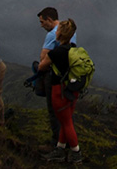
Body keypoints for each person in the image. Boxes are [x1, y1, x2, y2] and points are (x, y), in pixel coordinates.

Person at [39, 19, 82, 164]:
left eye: (57, 30)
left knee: (66, 122)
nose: (55, 31)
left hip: (59, 91)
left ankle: (76, 154)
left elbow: (41, 66)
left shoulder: (56, 53)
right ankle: (60, 149)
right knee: (66, 120)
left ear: (60, 34)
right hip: (72, 90)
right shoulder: (74, 50)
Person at [36, 7, 78, 144]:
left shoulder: (52, 36)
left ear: (49, 19)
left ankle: (57, 144)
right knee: (66, 115)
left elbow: (43, 59)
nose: (41, 25)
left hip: (54, 78)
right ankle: (66, 144)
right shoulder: (71, 32)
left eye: (42, 22)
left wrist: (40, 67)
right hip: (69, 77)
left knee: (54, 111)